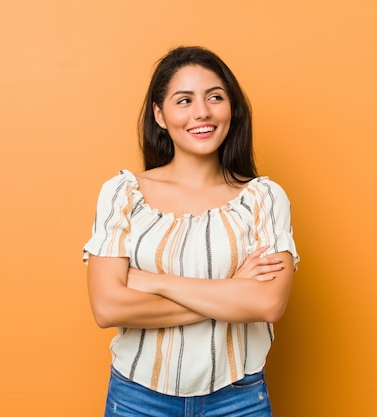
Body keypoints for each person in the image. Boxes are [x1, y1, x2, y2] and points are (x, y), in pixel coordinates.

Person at [83, 46, 300, 417]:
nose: (202, 112)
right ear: (160, 115)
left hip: (238, 400)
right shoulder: (123, 194)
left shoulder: (263, 198)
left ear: (231, 108)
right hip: (138, 399)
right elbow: (107, 307)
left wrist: (154, 281)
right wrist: (231, 292)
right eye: (184, 100)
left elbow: (267, 304)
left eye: (215, 97)